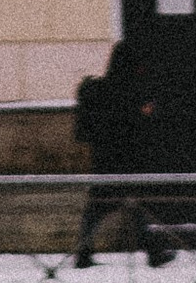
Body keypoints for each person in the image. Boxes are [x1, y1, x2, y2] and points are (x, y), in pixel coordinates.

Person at [73, 34, 175, 268]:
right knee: (128, 205)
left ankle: (84, 253)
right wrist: (145, 114)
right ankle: (153, 252)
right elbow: (131, 127)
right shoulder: (129, 92)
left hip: (104, 160)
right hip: (124, 160)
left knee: (101, 207)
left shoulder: (100, 90)